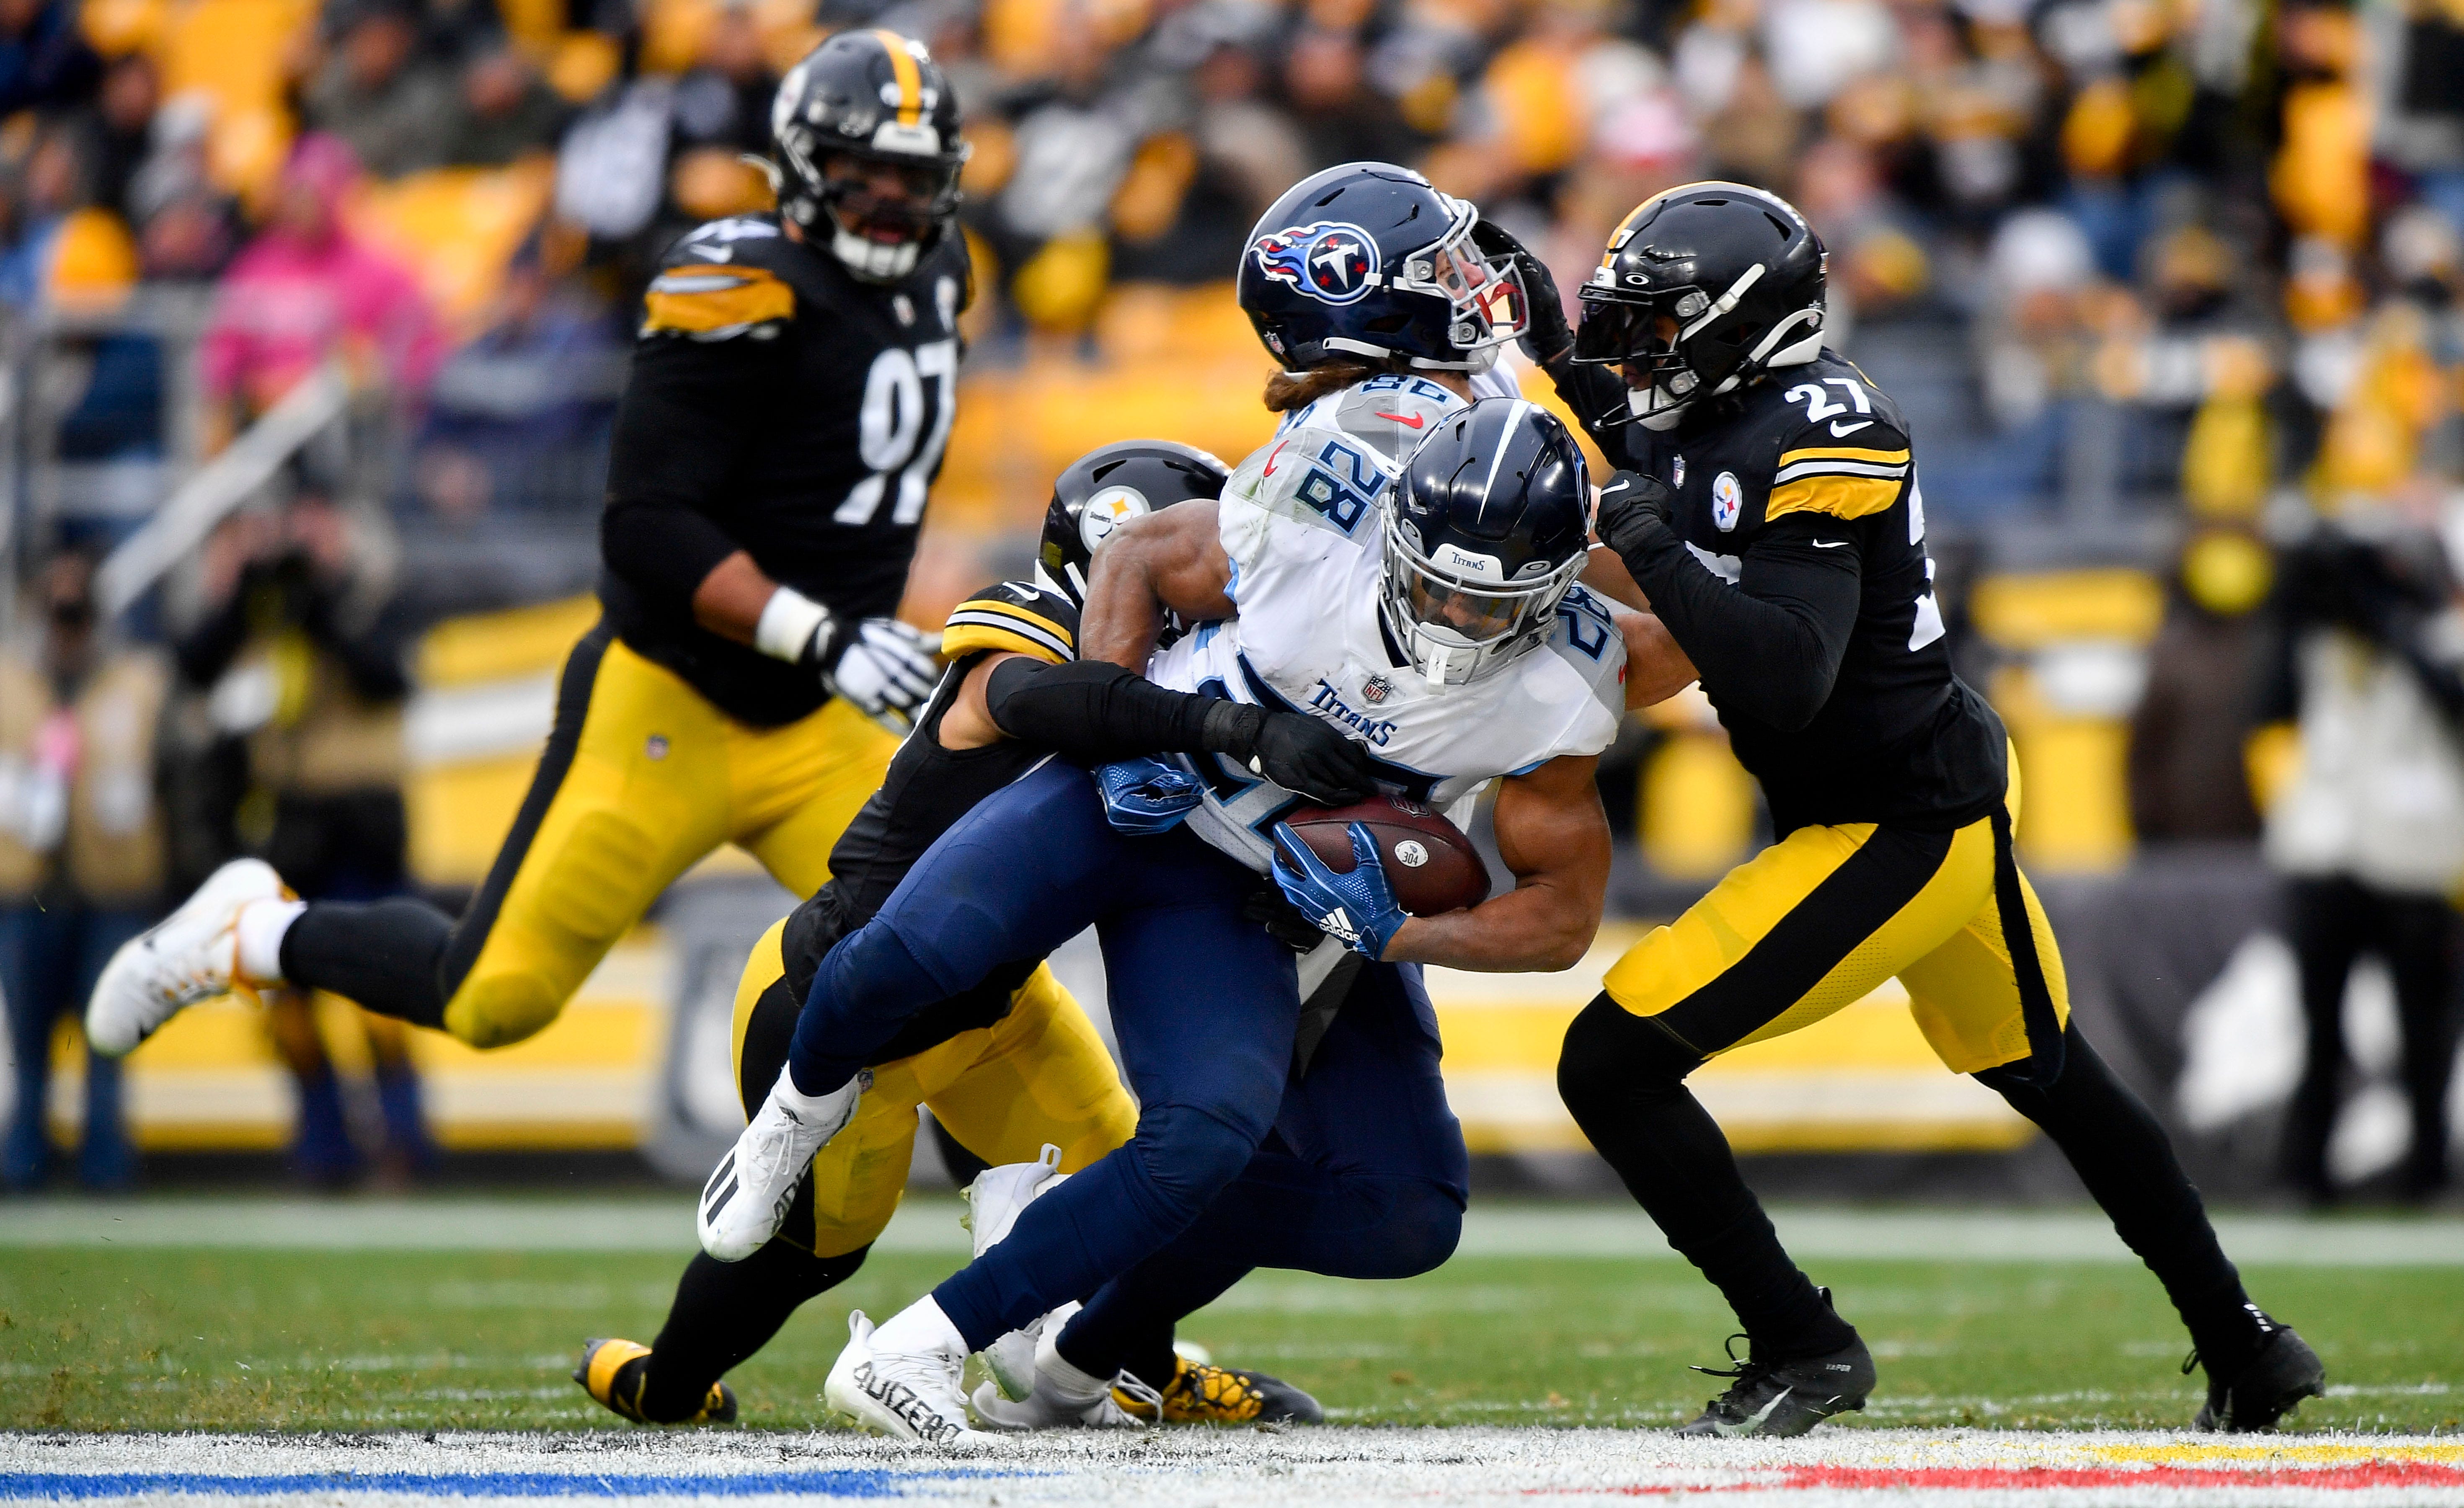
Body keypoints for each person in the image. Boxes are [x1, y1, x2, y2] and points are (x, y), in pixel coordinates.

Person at [699, 162, 1694, 1445]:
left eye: (1496, 605)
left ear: (1565, 586)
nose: (1456, 623)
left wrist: (1393, 934)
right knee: (906, 947)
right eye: (1438, 587)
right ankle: (802, 1112)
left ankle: (983, 1340)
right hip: (1146, 792)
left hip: (1246, 882)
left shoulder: (1567, 675)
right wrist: (1132, 725)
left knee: (1239, 1142)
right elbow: (1145, 551)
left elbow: (1567, 901)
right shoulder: (1320, 495)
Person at [1501, 179, 2325, 1436]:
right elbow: (1642, 434)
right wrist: (1553, 345)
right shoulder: (1722, 403)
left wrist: (1652, 545)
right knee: (2058, 1079)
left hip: (1890, 826)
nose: (1637, 351)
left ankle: (1801, 1342)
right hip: (1923, 791)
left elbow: (1785, 676)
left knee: (1610, 1064)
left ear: (1739, 325)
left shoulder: (1826, 423)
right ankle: (2246, 1347)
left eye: (1659, 325)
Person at [85, 32, 965, 1062]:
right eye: (870, 174)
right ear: (806, 166)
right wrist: (825, 633)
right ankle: (255, 931)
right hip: (675, 701)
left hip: (819, 716)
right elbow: (644, 528)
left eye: (917, 176)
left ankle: (1043, 1198)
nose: (896, 202)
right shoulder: (736, 282)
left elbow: (870, 472)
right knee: (495, 995)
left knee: (953, 955)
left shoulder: (942, 275)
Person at [575, 441, 1351, 1428]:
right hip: (852, 1003)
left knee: (1140, 1187)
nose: (1227, 580)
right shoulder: (1034, 626)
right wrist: (1217, 726)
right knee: (817, 1249)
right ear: (1126, 545)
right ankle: (665, 1385)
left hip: (1001, 1005)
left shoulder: (1195, 665)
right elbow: (1044, 703)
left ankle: (1130, 1369)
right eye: (1201, 553)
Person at [173, 498, 434, 1186]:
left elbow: (388, 677)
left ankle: (402, 1148)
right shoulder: (269, 610)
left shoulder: (373, 599)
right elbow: (193, 668)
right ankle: (323, 1152)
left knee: (384, 1001)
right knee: (288, 1005)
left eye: (319, 527)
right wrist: (247, 595)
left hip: (365, 825)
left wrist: (320, 607)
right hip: (290, 831)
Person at [2262, 518, 2464, 1203]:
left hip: (2415, 863)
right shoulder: (2323, 642)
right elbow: (2267, 703)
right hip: (2326, 852)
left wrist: (2394, 624)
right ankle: (2304, 1170)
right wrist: (2296, 599)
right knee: (2319, 1027)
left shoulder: (2443, 639)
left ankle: (2427, 1171)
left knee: (2425, 1032)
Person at [0, 551, 163, 1191]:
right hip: (26, 886)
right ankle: (24, 1165)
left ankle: (106, 1169)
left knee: (110, 1033)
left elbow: (167, 775)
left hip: (111, 885)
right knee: (30, 1040)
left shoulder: (135, 682)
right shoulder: (13, 683)